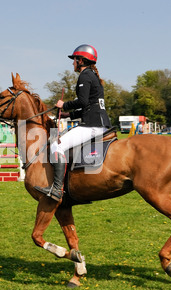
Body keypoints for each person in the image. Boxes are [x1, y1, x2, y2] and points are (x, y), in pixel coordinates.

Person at [34, 44, 112, 201]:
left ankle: (57, 189)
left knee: (57, 145)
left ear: (81, 61)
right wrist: (68, 115)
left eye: (74, 59)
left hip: (92, 125)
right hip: (99, 122)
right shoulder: (93, 76)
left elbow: (82, 101)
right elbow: (88, 106)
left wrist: (64, 105)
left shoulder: (85, 76)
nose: (73, 63)